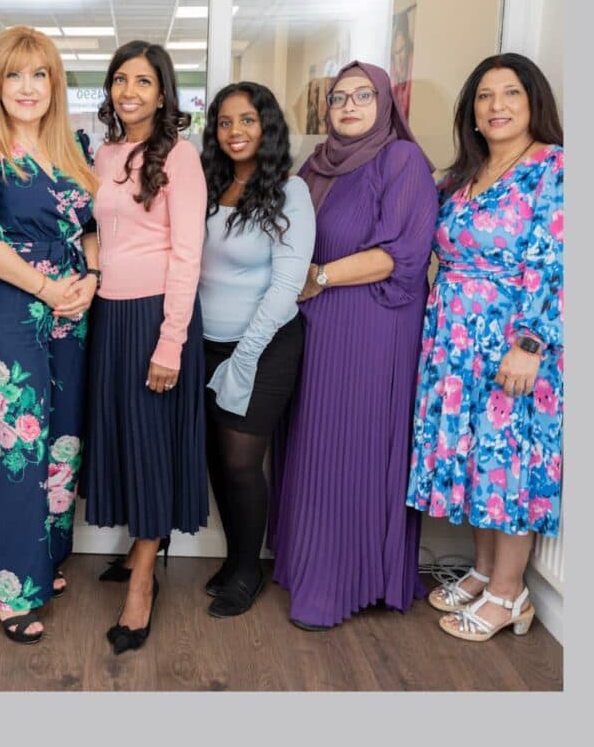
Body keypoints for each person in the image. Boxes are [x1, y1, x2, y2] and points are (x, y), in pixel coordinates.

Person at [0, 26, 98, 645]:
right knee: (17, 444)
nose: (27, 87)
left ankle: (46, 559)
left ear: (54, 82)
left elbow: (88, 226)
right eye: (14, 75)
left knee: (63, 440)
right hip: (12, 305)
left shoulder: (74, 144)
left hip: (74, 306)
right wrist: (48, 288)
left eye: (39, 75)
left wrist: (89, 278)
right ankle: (13, 588)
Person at [270, 60, 438, 630]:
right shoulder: (316, 165)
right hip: (315, 325)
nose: (348, 106)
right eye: (338, 97)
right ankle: (310, 567)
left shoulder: (402, 160)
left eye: (363, 95)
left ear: (386, 102)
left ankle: (345, 582)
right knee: (313, 443)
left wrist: (319, 278)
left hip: (372, 327)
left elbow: (403, 255)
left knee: (350, 447)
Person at [406, 53, 563, 641]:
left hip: (511, 340)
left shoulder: (554, 169)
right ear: (471, 112)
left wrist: (529, 342)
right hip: (453, 339)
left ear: (533, 103)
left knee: (509, 463)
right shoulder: (461, 177)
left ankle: (510, 592)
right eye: (485, 97)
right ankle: (483, 570)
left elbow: (554, 261)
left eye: (511, 94)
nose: (497, 106)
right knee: (474, 459)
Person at [83, 41, 208, 653]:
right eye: (120, 80)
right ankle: (140, 551)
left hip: (157, 317)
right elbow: (95, 230)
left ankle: (141, 585)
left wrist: (171, 343)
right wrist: (90, 262)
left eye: (143, 81)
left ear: (163, 93)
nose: (129, 91)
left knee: (152, 447)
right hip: (107, 317)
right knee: (123, 442)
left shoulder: (181, 157)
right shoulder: (101, 152)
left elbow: (188, 255)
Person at [198, 82, 315, 617]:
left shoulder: (290, 192)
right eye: (224, 122)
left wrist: (243, 357)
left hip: (264, 347)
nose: (235, 131)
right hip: (204, 343)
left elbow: (286, 285)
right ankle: (234, 557)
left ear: (267, 126)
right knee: (216, 462)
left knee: (243, 463)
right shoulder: (204, 186)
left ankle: (249, 571)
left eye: (247, 120)